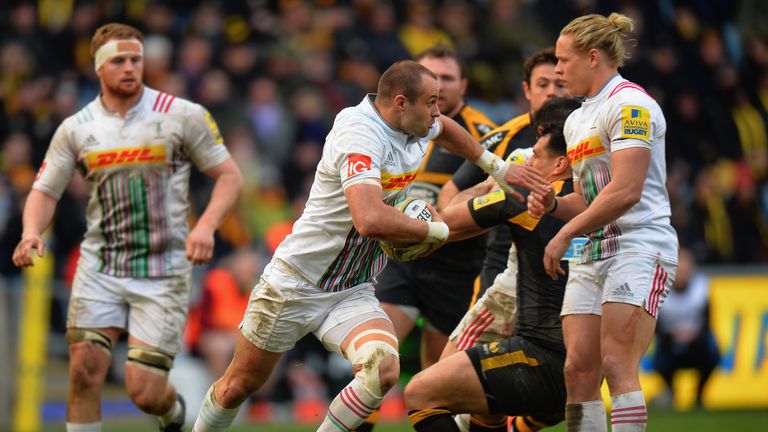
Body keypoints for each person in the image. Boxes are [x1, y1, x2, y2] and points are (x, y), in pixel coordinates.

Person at [192, 60, 549, 432]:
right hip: (296, 283)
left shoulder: (416, 124)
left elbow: (448, 131)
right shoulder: (359, 132)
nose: (436, 111)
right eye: (430, 102)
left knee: (383, 369)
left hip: (352, 289)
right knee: (239, 385)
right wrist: (437, 231)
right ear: (400, 102)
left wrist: (495, 166)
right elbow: (369, 219)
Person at [11, 23, 243, 432]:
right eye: (119, 60)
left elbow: (229, 176)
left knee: (144, 391)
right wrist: (32, 231)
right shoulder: (76, 128)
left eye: (136, 59)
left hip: (164, 268)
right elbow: (45, 190)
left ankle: (172, 414)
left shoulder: (182, 115)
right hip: (100, 265)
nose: (131, 67)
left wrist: (206, 226)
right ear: (98, 68)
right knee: (83, 371)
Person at [527, 13, 679, 432]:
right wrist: (553, 204)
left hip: (638, 244)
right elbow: (588, 198)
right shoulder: (576, 120)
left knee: (617, 363)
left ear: (593, 57)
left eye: (563, 60)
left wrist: (563, 233)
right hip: (594, 250)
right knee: (578, 371)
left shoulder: (631, 105)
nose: (557, 70)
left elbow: (627, 190)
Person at [405, 127, 576, 432]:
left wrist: (396, 226)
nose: (528, 162)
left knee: (424, 392)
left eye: (536, 155)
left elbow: (446, 221)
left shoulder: (526, 194)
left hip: (538, 349)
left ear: (560, 163)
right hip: (583, 364)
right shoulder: (599, 198)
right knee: (489, 412)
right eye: (543, 82)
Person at [375, 44, 497, 377]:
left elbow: (495, 205)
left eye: (447, 78)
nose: (438, 87)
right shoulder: (393, 126)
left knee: (435, 376)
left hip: (455, 268)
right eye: (431, 78)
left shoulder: (486, 136)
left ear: (464, 85)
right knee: (375, 361)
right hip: (400, 260)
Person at [653, 248, 720, 408]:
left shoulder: (701, 287)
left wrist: (693, 335)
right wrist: (673, 335)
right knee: (658, 359)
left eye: (685, 269)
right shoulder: (660, 290)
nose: (681, 273)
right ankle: (670, 391)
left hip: (696, 342)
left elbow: (707, 322)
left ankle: (699, 396)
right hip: (670, 343)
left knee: (713, 355)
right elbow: (656, 326)